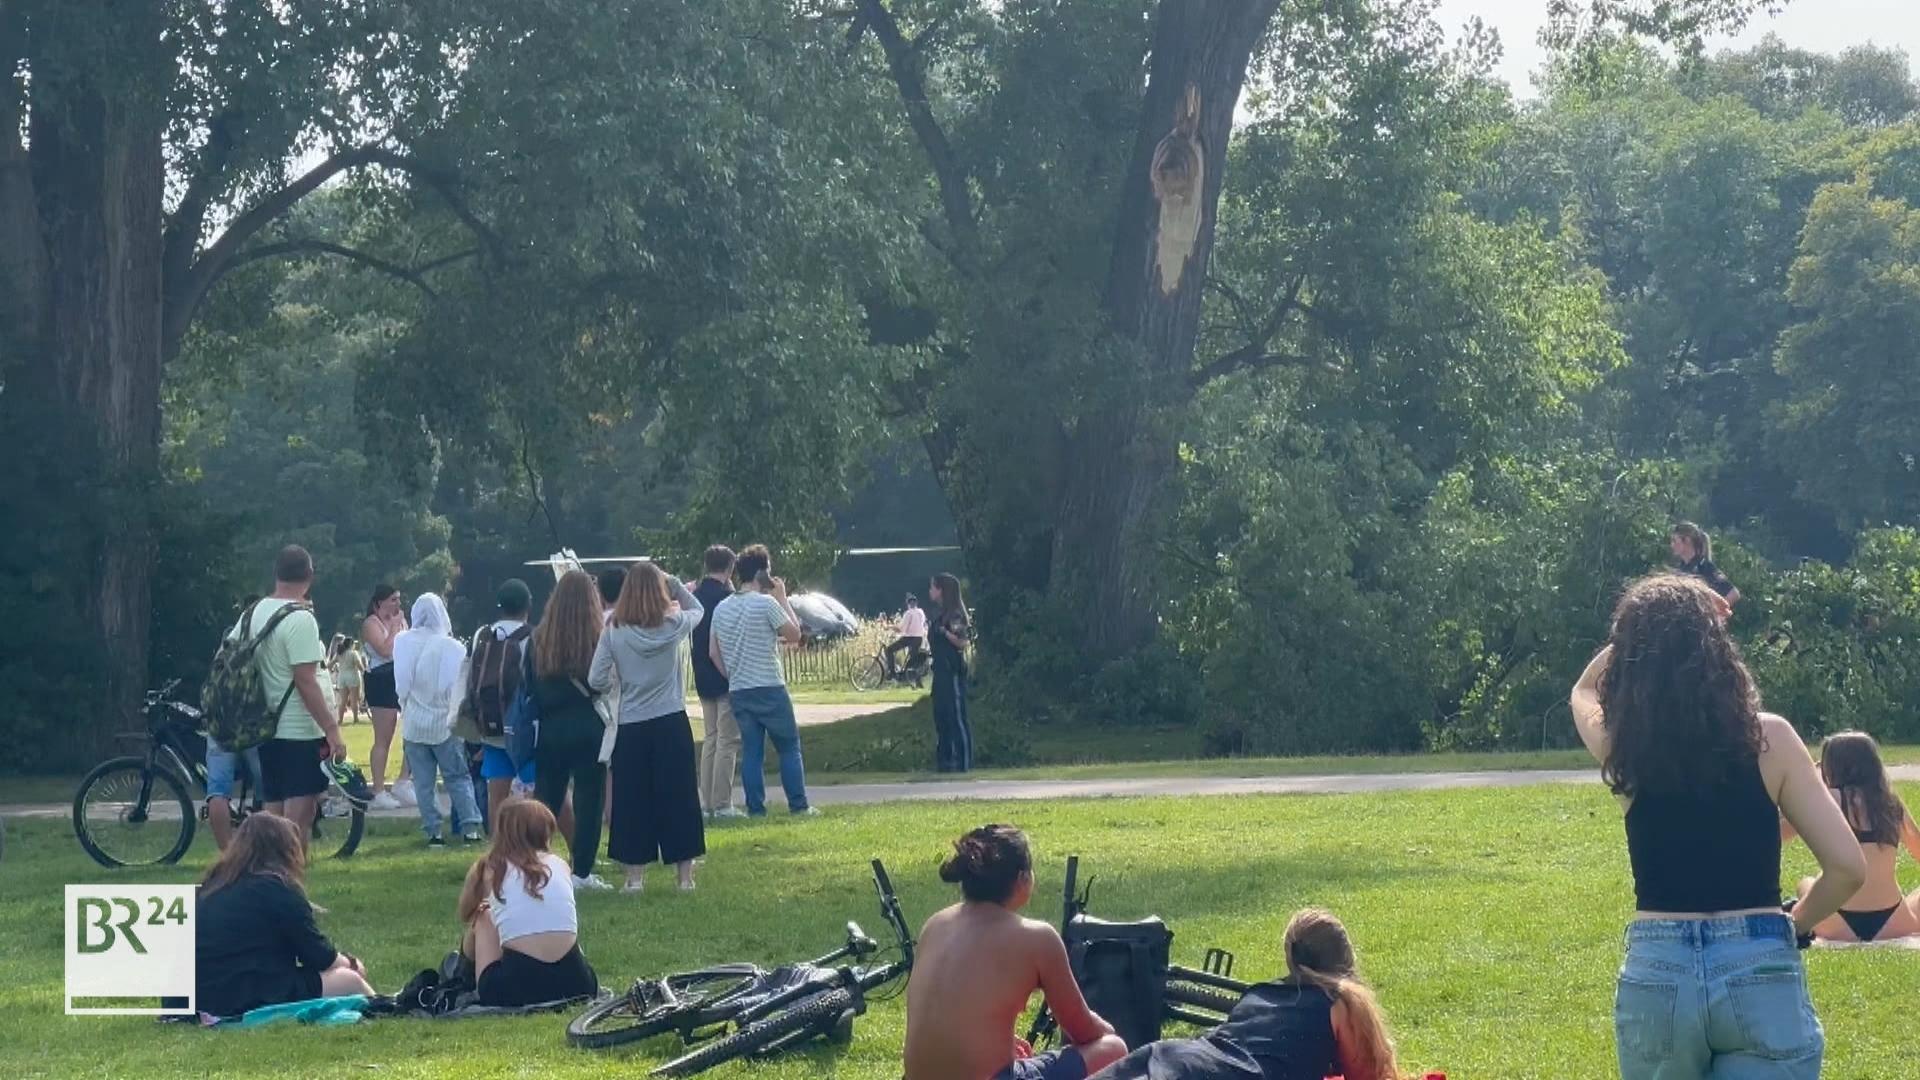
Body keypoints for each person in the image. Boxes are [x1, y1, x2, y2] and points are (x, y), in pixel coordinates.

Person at [1570, 574, 1865, 1079]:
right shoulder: (1769, 738)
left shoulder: (1626, 744)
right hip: (1758, 960)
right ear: (1717, 649)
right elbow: (1845, 868)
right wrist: (1793, 924)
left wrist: (1636, 631)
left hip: (1658, 966)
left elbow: (1584, 689)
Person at [904, 825, 1126, 1080]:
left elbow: (946, 1013)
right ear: (1022, 878)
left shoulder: (935, 924)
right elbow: (1082, 1030)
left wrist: (997, 1040)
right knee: (1113, 1049)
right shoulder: (1036, 938)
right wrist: (1108, 1030)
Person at [1096, 908, 1402, 1080]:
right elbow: (1368, 1075)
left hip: (1168, 1054)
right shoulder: (1339, 1004)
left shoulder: (1257, 994)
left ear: (1291, 957)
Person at [592, 562, 706, 892]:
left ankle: (634, 877)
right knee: (680, 796)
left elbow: (594, 677)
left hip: (632, 723)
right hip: (670, 718)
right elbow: (697, 608)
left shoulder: (613, 630)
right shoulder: (673, 624)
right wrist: (675, 584)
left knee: (632, 800)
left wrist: (618, 686)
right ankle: (685, 877)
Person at [195, 814, 373, 1019]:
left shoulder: (211, 887)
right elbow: (319, 956)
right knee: (349, 980)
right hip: (244, 993)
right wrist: (352, 963)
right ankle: (388, 1011)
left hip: (200, 996)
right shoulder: (278, 889)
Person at [228, 545, 348, 846]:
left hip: (265, 725)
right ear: (310, 575)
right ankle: (288, 879)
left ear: (277, 574)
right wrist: (333, 730)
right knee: (298, 820)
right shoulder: (300, 619)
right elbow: (305, 681)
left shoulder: (251, 614)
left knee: (273, 811)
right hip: (299, 729)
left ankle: (268, 874)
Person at [456, 798, 599, 1007]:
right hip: (578, 984)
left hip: (516, 988)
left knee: (483, 915)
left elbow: (465, 912)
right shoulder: (560, 865)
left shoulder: (491, 866)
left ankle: (462, 975)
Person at [709, 544, 813, 817]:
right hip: (769, 684)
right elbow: (794, 635)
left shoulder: (722, 608)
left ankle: (756, 808)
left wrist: (732, 674)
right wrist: (783, 598)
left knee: (752, 751)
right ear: (762, 573)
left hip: (739, 689)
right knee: (789, 747)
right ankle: (799, 805)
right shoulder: (766, 603)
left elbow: (713, 651)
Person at [1786, 731, 1920, 942]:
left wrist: (1810, 779)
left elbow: (1781, 829)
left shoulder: (1832, 798)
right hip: (1894, 922)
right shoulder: (1892, 804)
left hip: (1837, 923)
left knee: (1806, 883)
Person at [530, 570, 611, 890]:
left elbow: (531, 684)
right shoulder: (597, 635)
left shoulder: (540, 637)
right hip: (588, 723)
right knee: (589, 799)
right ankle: (582, 870)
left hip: (550, 725)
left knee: (546, 797)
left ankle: (534, 859)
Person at [394, 593, 484, 846]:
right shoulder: (453, 647)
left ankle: (433, 832)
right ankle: (470, 829)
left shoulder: (402, 641)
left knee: (423, 783)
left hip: (413, 723)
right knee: (457, 777)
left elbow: (401, 685)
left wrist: (408, 706)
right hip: (444, 723)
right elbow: (455, 688)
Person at [470, 579, 538, 827]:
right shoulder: (532, 637)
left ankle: (498, 849)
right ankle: (543, 848)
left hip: (491, 725)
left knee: (497, 793)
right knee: (539, 794)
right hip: (522, 726)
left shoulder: (483, 636)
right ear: (528, 605)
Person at [691, 545, 744, 819]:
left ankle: (707, 802)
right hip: (723, 672)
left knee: (710, 738)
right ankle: (723, 802)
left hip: (701, 673)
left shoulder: (696, 596)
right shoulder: (727, 598)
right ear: (730, 568)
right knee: (728, 739)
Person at [362, 584, 414, 810]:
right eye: (392, 599)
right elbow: (384, 650)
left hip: (401, 677)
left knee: (413, 731)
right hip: (381, 680)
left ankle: (404, 780)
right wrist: (393, 628)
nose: (397, 604)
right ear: (379, 603)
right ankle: (378, 790)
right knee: (384, 736)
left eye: (398, 599)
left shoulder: (402, 621)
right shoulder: (370, 624)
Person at [928, 573, 973, 773]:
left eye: (932, 587)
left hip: (951, 671)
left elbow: (962, 642)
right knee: (941, 716)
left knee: (956, 716)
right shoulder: (940, 615)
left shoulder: (955, 615)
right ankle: (944, 762)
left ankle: (962, 763)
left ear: (941, 590)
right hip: (939, 671)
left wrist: (945, 633)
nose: (930, 591)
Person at [204, 732, 262, 852]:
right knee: (268, 790)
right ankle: (272, 853)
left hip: (221, 726)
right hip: (256, 726)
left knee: (217, 793)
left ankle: (227, 856)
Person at [1670, 521, 1739, 607]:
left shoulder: (1704, 567)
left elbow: (1733, 593)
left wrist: (1714, 614)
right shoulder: (1679, 569)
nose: (1671, 545)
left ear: (1687, 540)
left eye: (1674, 541)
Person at [885, 594, 928, 675]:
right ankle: (911, 675)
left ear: (908, 604)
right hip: (919, 638)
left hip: (910, 639)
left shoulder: (908, 613)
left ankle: (892, 673)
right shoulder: (921, 612)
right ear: (916, 603)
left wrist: (889, 627)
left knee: (889, 650)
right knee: (913, 656)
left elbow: (901, 629)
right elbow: (921, 624)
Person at [334, 638, 366, 724]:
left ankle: (340, 719)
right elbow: (359, 665)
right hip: (352, 675)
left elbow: (331, 663)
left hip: (341, 677)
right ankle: (355, 718)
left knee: (343, 700)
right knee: (354, 699)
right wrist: (364, 670)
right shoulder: (353, 653)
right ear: (351, 644)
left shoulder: (340, 653)